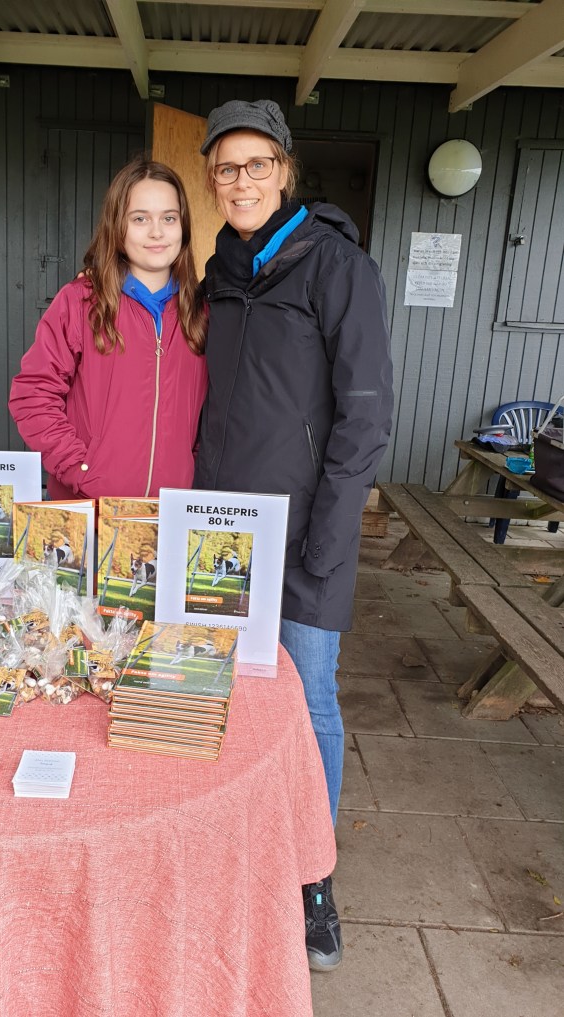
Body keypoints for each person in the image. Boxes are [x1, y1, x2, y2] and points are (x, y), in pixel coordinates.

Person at [195, 99, 393, 972]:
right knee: (225, 692)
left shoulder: (337, 267)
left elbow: (366, 415)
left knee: (308, 699)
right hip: (223, 532)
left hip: (310, 530)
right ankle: (234, 839)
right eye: (226, 168)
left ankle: (312, 878)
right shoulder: (219, 271)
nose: (241, 181)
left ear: (284, 170)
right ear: (213, 178)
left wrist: (331, 533)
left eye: (257, 164)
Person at [9, 157, 208, 499]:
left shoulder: (202, 312)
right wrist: (79, 468)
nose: (157, 232)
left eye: (169, 218)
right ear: (118, 226)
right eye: (140, 218)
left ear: (183, 227)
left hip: (170, 513)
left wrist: (194, 472)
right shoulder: (80, 302)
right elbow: (33, 394)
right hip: (91, 507)